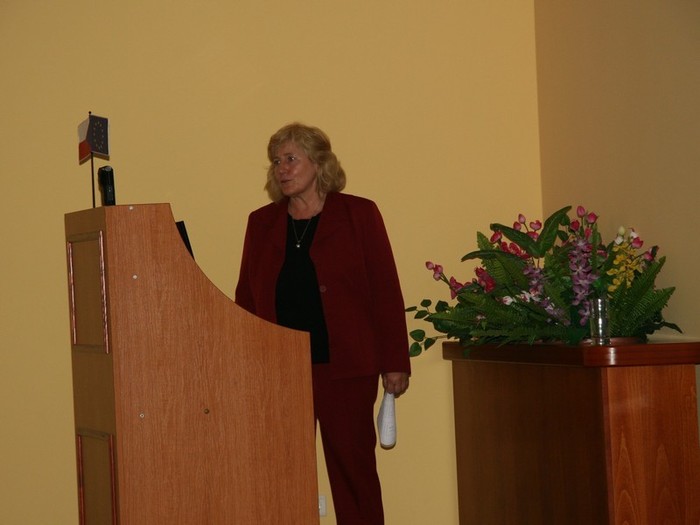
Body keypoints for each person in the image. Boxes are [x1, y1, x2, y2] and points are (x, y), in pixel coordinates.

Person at [235, 122, 411, 524]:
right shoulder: (260, 223)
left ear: (318, 163)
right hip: (280, 371)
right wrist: (244, 363)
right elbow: (247, 297)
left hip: (345, 368)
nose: (281, 168)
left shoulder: (359, 214)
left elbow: (385, 289)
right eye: (276, 161)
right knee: (282, 474)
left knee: (354, 474)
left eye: (291, 159)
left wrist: (395, 362)